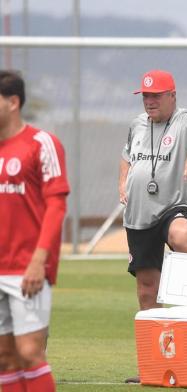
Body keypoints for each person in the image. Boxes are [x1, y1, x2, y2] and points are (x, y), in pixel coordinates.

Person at [118, 69, 187, 383]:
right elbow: (127, 156)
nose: (150, 102)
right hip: (139, 214)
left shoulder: (185, 120)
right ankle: (154, 365)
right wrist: (123, 182)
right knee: (146, 290)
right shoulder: (136, 124)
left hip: (173, 206)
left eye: (156, 96)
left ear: (172, 96)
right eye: (145, 96)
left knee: (182, 235)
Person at [0, 71, 70, 392]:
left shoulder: (42, 144)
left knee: (29, 352)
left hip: (28, 266)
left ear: (13, 102)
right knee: (4, 357)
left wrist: (39, 261)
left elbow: (56, 206)